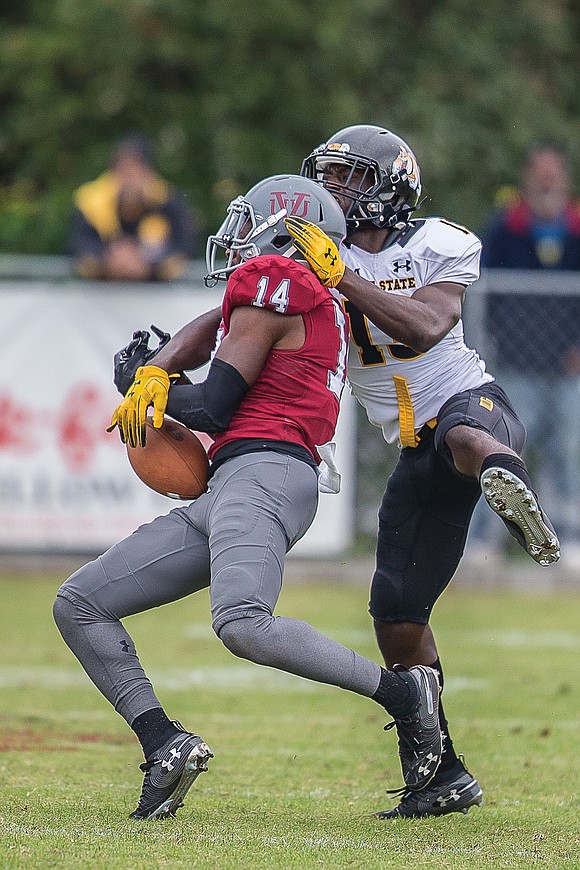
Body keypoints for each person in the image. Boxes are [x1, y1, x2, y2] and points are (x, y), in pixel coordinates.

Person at [53, 174, 443, 820]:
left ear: (281, 228)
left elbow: (213, 402)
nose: (234, 238)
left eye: (247, 221)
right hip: (238, 478)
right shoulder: (300, 295)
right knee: (81, 603)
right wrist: (158, 380)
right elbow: (223, 393)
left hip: (267, 470)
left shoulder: (277, 283)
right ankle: (164, 744)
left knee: (242, 621)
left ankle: (405, 695)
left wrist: (141, 383)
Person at [279, 125, 561, 819]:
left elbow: (428, 327)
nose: (337, 190)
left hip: (468, 402)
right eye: (331, 176)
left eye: (352, 178)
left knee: (464, 434)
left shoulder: (436, 242)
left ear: (392, 186)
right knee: (397, 617)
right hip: (410, 447)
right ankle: (440, 771)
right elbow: (253, 320)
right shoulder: (315, 253)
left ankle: (507, 480)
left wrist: (339, 276)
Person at [480, 143, 580, 558]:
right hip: (518, 365)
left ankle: (571, 539)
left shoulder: (576, 229)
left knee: (570, 453)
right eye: (540, 173)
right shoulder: (505, 229)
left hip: (570, 368)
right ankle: (486, 543)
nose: (547, 181)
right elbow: (484, 295)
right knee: (502, 451)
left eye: (553, 173)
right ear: (526, 177)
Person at [70, 132, 198, 281]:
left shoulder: (166, 201)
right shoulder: (91, 201)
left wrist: (146, 260)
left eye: (136, 169)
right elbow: (78, 245)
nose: (130, 178)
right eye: (124, 169)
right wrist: (110, 258)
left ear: (149, 172)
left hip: (156, 294)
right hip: (101, 293)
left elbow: (184, 246)